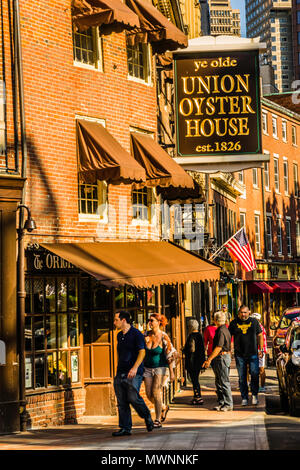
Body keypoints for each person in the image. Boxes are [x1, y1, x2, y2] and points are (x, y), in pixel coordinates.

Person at [112, 311, 154, 436]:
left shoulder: (136, 334)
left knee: (133, 397)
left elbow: (142, 352)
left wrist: (135, 368)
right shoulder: (119, 335)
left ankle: (146, 416)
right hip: (121, 371)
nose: (114, 323)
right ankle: (125, 428)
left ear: (123, 320)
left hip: (134, 372)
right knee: (122, 401)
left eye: (116, 320)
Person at [143, 313, 175, 428]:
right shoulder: (145, 334)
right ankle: (163, 407)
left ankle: (157, 420)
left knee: (156, 391)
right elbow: (141, 351)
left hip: (160, 367)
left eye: (152, 320)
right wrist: (145, 342)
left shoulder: (164, 336)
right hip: (147, 368)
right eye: (149, 320)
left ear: (159, 322)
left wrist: (171, 372)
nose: (150, 322)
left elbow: (170, 355)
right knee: (148, 394)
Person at [229, 305, 263, 406]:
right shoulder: (234, 323)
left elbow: (260, 335)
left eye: (245, 312)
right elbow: (229, 336)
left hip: (253, 353)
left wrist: (260, 349)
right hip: (240, 354)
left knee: (255, 374)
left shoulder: (254, 322)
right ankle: (244, 397)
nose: (243, 314)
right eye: (241, 312)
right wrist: (229, 349)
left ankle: (254, 395)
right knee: (242, 377)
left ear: (249, 312)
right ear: (239, 313)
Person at [202, 311, 233, 412]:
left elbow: (219, 347)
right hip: (222, 357)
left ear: (215, 320)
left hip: (222, 357)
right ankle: (222, 402)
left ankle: (228, 403)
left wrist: (209, 359)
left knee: (224, 381)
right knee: (219, 382)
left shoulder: (221, 331)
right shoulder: (224, 329)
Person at [182, 319, 206, 405]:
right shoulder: (200, 336)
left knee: (194, 380)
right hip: (199, 361)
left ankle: (198, 397)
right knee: (196, 379)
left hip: (192, 362)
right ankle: (197, 396)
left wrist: (184, 350)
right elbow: (202, 350)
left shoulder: (191, 336)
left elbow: (191, 349)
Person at [250, 313, 267, 392]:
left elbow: (262, 341)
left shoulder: (260, 328)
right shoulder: (253, 327)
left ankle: (262, 386)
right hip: (254, 350)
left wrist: (261, 350)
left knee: (261, 368)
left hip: (259, 350)